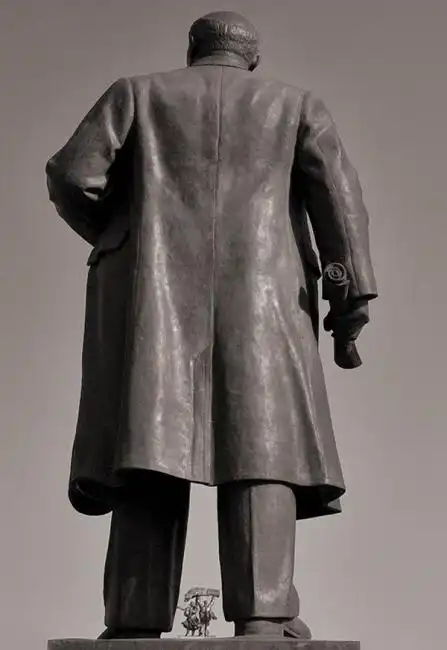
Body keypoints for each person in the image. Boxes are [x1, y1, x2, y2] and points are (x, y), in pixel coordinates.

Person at [45, 10, 377, 639]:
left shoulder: (136, 95)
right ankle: (265, 617)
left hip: (151, 297)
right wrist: (348, 304)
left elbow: (71, 176)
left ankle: (133, 620)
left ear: (192, 52)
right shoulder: (296, 106)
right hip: (265, 300)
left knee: (148, 446)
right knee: (263, 447)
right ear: (253, 59)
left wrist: (122, 235)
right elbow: (340, 208)